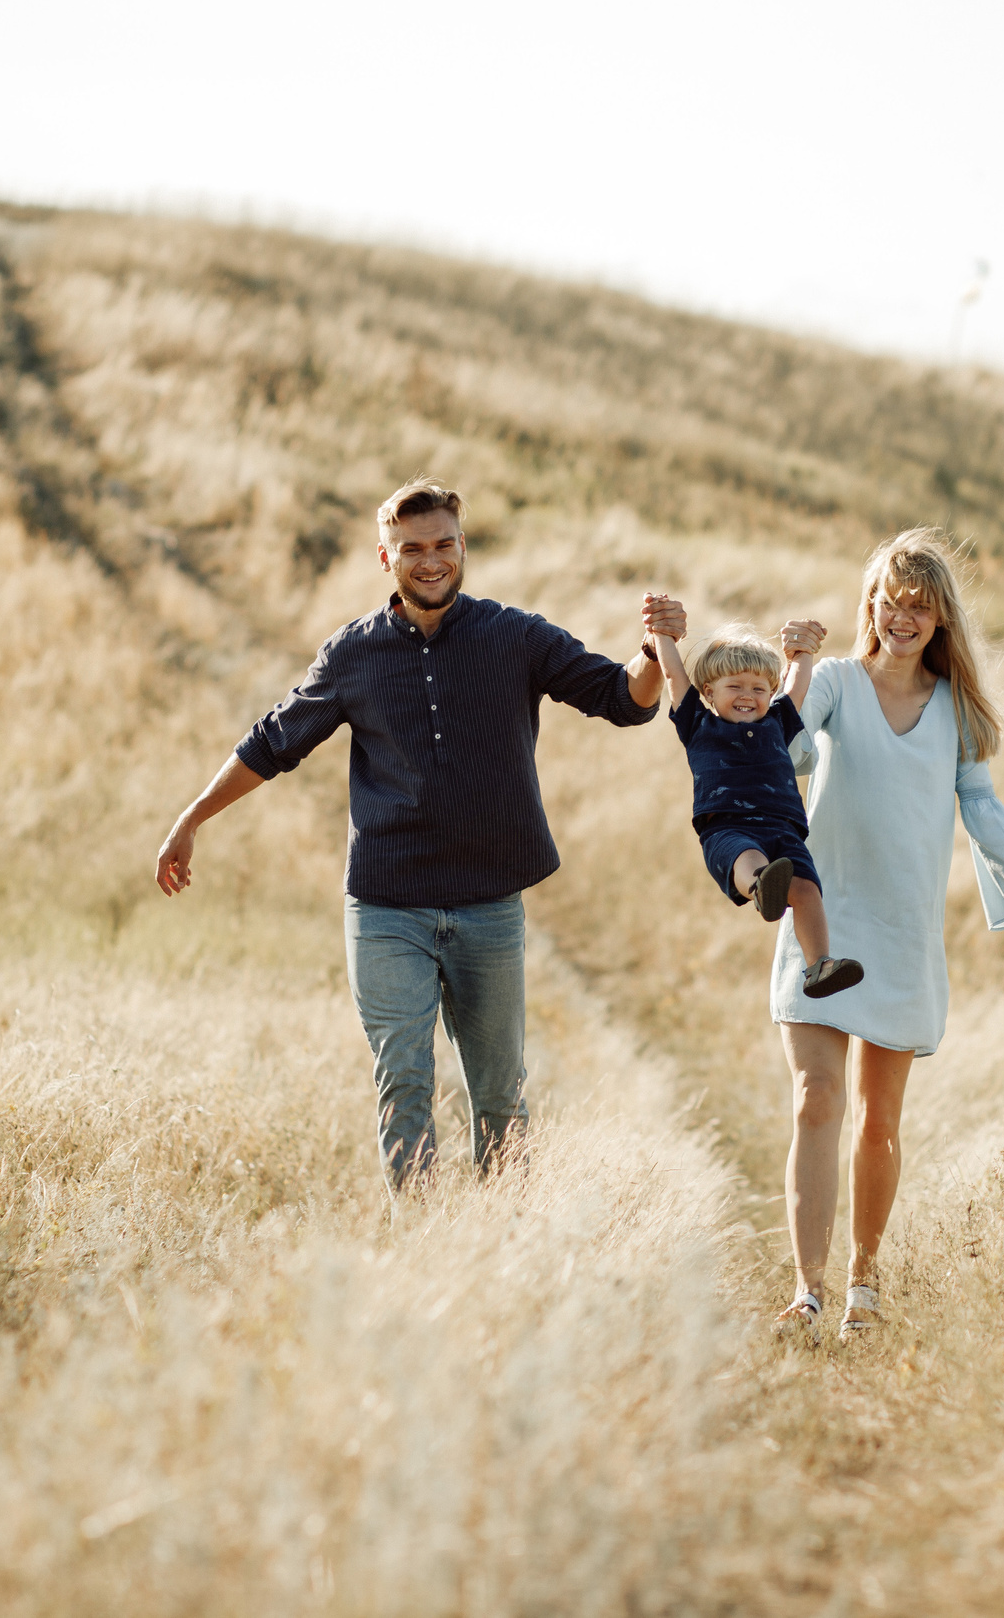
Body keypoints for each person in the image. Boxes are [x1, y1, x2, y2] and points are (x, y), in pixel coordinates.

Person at [152, 479, 686, 1189]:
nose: (430, 560)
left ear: (462, 549)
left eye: (443, 545)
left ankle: (503, 1249)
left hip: (489, 906)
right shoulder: (353, 654)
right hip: (385, 907)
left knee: (499, 1100)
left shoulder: (515, 636)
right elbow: (272, 742)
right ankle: (423, 1245)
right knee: (404, 1086)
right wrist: (191, 819)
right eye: (412, 549)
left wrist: (654, 651)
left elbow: (622, 700)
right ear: (386, 559)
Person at [768, 528, 1004, 1341]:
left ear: (941, 618)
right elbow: (787, 751)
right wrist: (794, 669)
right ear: (870, 605)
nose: (902, 616)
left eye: (919, 605)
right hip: (825, 925)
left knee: (878, 1122)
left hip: (903, 936)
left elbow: (981, 804)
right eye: (890, 601)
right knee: (816, 1101)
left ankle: (862, 1287)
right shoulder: (836, 682)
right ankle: (806, 1290)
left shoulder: (956, 711)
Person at [650, 621, 864, 999]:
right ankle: (760, 886)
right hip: (727, 827)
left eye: (759, 688)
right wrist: (661, 634)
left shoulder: (777, 722)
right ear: (708, 692)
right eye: (735, 686)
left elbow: (797, 685)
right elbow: (673, 673)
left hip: (784, 831)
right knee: (747, 856)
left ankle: (819, 967)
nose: (748, 695)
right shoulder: (697, 724)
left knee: (809, 891)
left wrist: (804, 653)